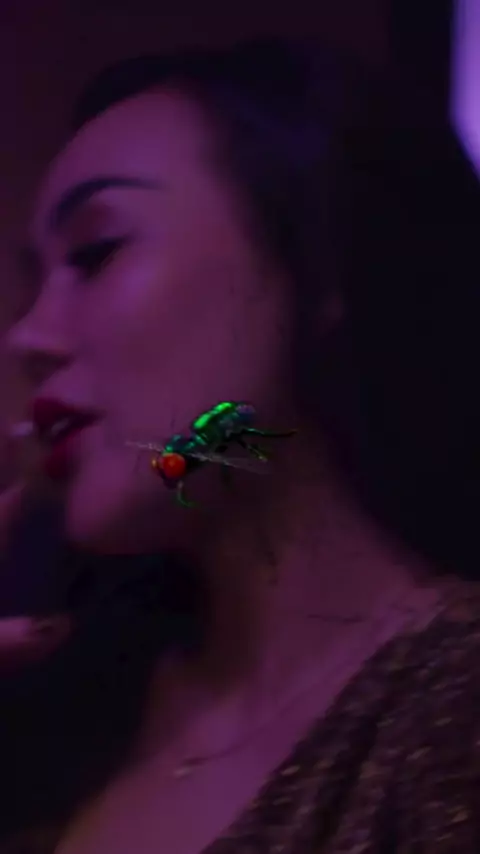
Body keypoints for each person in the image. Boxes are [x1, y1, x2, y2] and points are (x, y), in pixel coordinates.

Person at [0, 38, 479, 854]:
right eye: (32, 283)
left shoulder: (453, 710)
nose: (28, 338)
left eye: (98, 252)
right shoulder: (61, 702)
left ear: (317, 259)